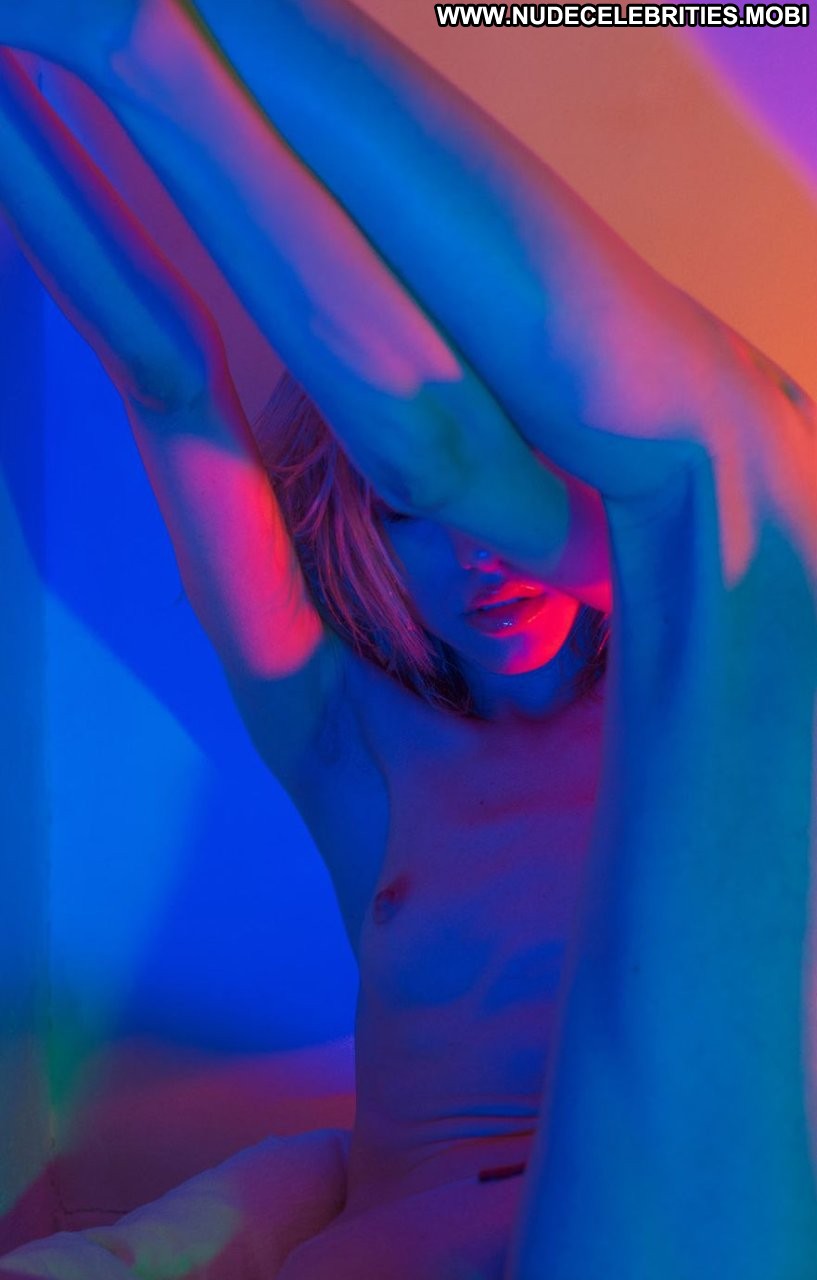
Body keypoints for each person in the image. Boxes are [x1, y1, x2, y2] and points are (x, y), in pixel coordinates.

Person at [0, 2, 815, 1278]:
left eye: (523, 490)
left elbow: (561, 476)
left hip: (668, 1231)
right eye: (403, 517)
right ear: (360, 537)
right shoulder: (348, 737)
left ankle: (144, 36)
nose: (479, 556)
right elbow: (167, 377)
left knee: (748, 499)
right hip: (397, 1246)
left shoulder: (699, 706)